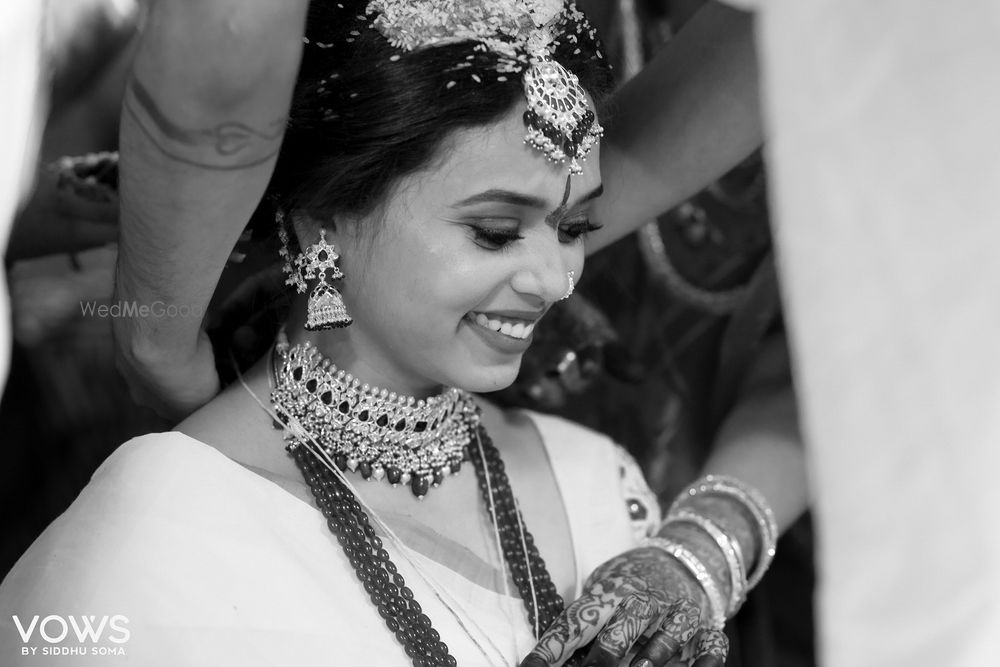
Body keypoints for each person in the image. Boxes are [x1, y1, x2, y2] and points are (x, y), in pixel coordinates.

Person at [0, 2, 787, 665]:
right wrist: (155, 338)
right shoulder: (161, 532)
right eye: (493, 232)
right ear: (323, 220)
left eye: (577, 225)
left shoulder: (597, 489)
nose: (557, 280)